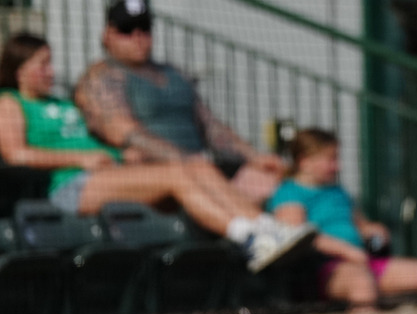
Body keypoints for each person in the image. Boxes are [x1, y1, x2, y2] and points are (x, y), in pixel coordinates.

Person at [0, 32, 313, 271]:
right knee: (177, 174)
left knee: (197, 166)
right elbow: (16, 154)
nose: (51, 71)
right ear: (20, 69)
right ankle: (248, 237)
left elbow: (91, 143)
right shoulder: (10, 102)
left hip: (107, 174)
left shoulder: (61, 103)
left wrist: (121, 155)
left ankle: (268, 228)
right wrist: (80, 159)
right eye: (42, 64)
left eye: (50, 62)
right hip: (70, 186)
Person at [73, 0, 288, 202]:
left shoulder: (173, 73)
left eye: (144, 29)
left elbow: (211, 126)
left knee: (272, 179)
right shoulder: (101, 76)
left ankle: (260, 223)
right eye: (127, 30)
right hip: (152, 172)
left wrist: (254, 157)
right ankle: (251, 223)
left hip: (201, 169)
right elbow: (122, 133)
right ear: (107, 35)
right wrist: (187, 161)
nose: (138, 38)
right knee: (205, 183)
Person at [269, 128, 417, 313]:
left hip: (365, 263)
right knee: (362, 287)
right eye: (330, 159)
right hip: (324, 270)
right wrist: (348, 252)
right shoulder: (288, 193)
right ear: (305, 161)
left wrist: (372, 230)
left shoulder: (338, 191)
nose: (337, 166)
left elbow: (360, 224)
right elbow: (297, 237)